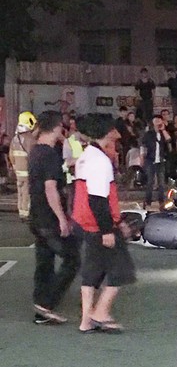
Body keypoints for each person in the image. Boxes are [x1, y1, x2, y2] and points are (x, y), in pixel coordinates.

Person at [72, 113, 136, 333]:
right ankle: (100, 312)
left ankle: (86, 319)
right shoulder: (100, 161)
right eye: (114, 129)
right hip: (99, 223)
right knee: (121, 269)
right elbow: (98, 199)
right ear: (106, 133)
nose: (117, 133)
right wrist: (109, 229)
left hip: (86, 222)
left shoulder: (86, 156)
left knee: (92, 270)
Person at [28, 111, 80, 325]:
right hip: (49, 218)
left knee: (45, 261)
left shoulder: (37, 151)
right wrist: (61, 218)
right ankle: (47, 303)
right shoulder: (48, 154)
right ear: (57, 127)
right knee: (73, 258)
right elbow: (51, 189)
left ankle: (41, 304)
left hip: (37, 215)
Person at [9, 111, 37, 220]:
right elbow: (32, 156)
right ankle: (26, 214)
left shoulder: (15, 139)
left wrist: (14, 167)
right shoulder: (30, 139)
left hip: (18, 173)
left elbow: (11, 155)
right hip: (27, 172)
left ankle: (21, 211)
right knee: (26, 193)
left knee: (20, 192)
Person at [141, 115, 172, 210]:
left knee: (161, 182)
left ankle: (161, 202)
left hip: (161, 160)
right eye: (156, 120)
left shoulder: (164, 133)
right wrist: (142, 158)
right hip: (150, 159)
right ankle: (148, 201)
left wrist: (163, 130)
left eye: (159, 120)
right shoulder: (148, 134)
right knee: (150, 181)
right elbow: (143, 146)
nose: (158, 122)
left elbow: (169, 140)